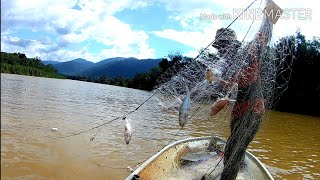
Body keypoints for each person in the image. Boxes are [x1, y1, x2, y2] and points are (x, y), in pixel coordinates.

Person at [211, 1, 274, 179]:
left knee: (233, 151)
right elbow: (229, 85)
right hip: (239, 112)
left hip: (253, 111)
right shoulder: (230, 65)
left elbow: (264, 35)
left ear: (231, 45)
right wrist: (221, 89)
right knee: (232, 148)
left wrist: (270, 11)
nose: (221, 51)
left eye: (223, 46)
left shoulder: (249, 53)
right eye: (219, 48)